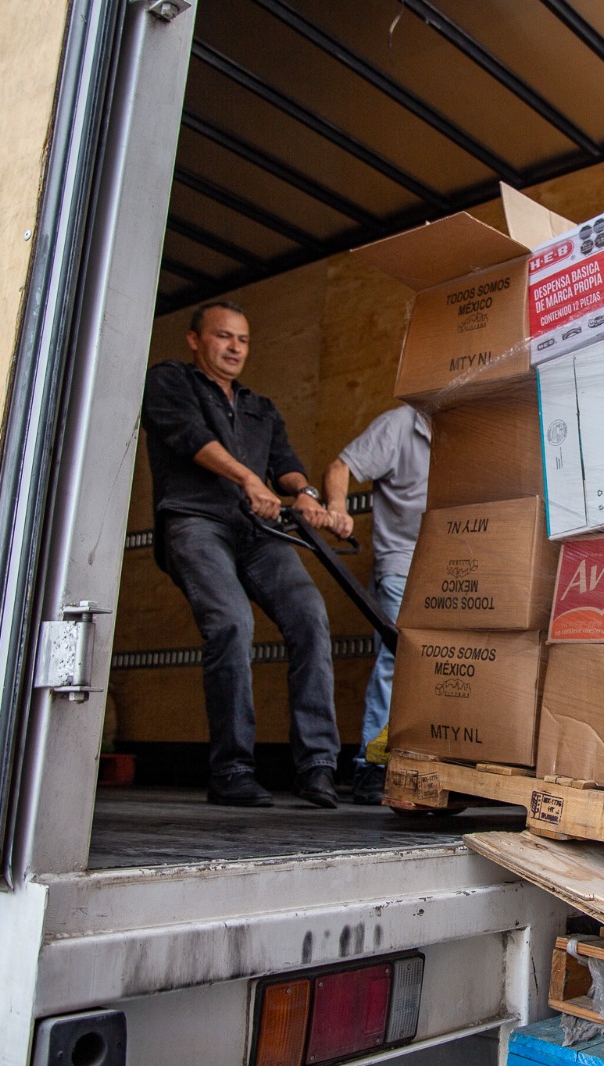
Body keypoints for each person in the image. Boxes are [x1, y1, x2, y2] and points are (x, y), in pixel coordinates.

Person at [141, 300, 342, 809]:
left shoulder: (262, 407)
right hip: (196, 520)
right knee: (231, 623)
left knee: (310, 616)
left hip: (256, 532)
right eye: (224, 337)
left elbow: (286, 466)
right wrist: (248, 478)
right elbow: (193, 440)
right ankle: (232, 769)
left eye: (243, 340)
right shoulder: (169, 382)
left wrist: (306, 495)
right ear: (194, 340)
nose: (234, 348)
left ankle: (317, 766)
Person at [319, 406, 431, 805]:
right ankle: (372, 764)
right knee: (397, 657)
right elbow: (340, 466)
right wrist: (337, 508)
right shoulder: (400, 425)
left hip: (449, 564)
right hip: (401, 562)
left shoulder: (468, 425)